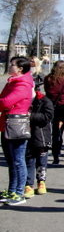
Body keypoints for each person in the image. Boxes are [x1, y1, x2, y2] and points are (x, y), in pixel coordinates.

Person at [0, 57, 34, 205]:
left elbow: (6, 101)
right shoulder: (12, 81)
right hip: (7, 124)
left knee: (18, 160)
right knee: (11, 161)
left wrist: (3, 103)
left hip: (16, 125)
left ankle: (19, 193)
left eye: (12, 64)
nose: (10, 66)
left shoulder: (23, 84)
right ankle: (12, 190)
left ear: (20, 68)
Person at [24, 77, 54, 198]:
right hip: (26, 135)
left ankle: (41, 182)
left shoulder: (44, 100)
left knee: (42, 161)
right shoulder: (24, 100)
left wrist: (30, 116)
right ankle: (28, 185)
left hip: (41, 136)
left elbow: (48, 116)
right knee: (29, 160)